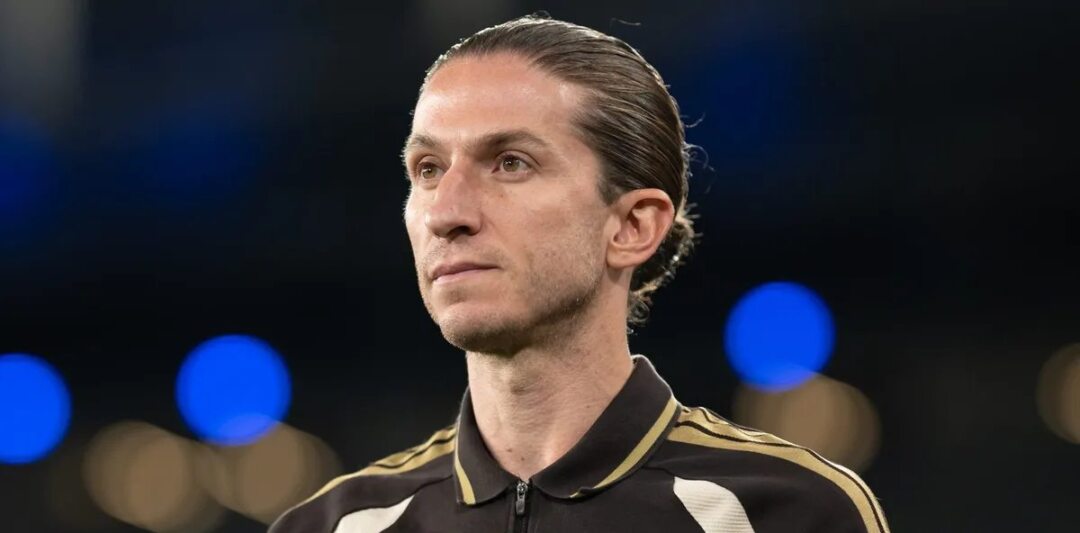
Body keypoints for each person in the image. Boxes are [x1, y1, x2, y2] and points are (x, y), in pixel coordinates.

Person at [270, 14, 889, 533]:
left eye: (510, 163)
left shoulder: (789, 513)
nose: (446, 213)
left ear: (632, 227)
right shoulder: (330, 525)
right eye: (428, 169)